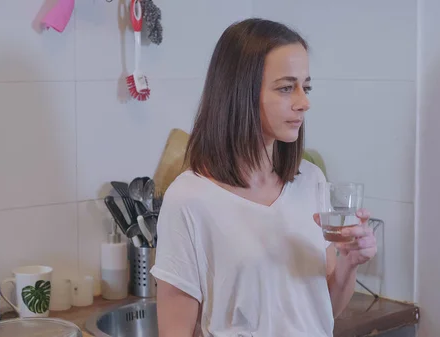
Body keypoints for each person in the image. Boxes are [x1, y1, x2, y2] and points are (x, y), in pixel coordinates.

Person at [150, 18, 377, 337]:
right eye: (287, 88)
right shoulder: (189, 199)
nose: (304, 102)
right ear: (239, 91)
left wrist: (348, 264)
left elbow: (320, 311)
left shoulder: (310, 181)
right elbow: (175, 331)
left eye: (305, 86)